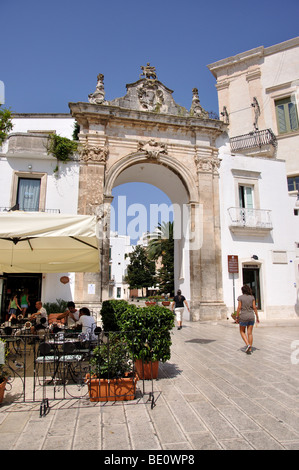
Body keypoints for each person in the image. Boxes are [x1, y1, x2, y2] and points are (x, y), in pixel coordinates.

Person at [236, 285, 260, 354]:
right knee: (250, 333)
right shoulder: (252, 297)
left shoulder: (240, 298)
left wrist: (237, 317)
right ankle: (249, 349)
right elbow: (254, 307)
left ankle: (247, 344)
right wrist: (257, 317)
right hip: (251, 316)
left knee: (242, 331)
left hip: (243, 316)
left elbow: (239, 307)